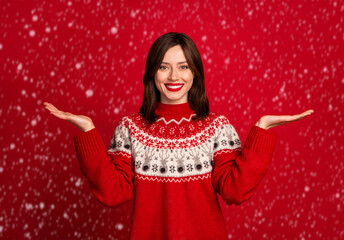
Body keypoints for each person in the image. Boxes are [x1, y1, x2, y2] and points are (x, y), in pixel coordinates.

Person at [44, 32, 314, 240]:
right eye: (164, 67)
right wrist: (88, 131)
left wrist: (261, 130)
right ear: (152, 73)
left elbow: (235, 191)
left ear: (196, 73)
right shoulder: (130, 128)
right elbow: (113, 193)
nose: (174, 75)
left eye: (183, 67)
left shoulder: (217, 126)